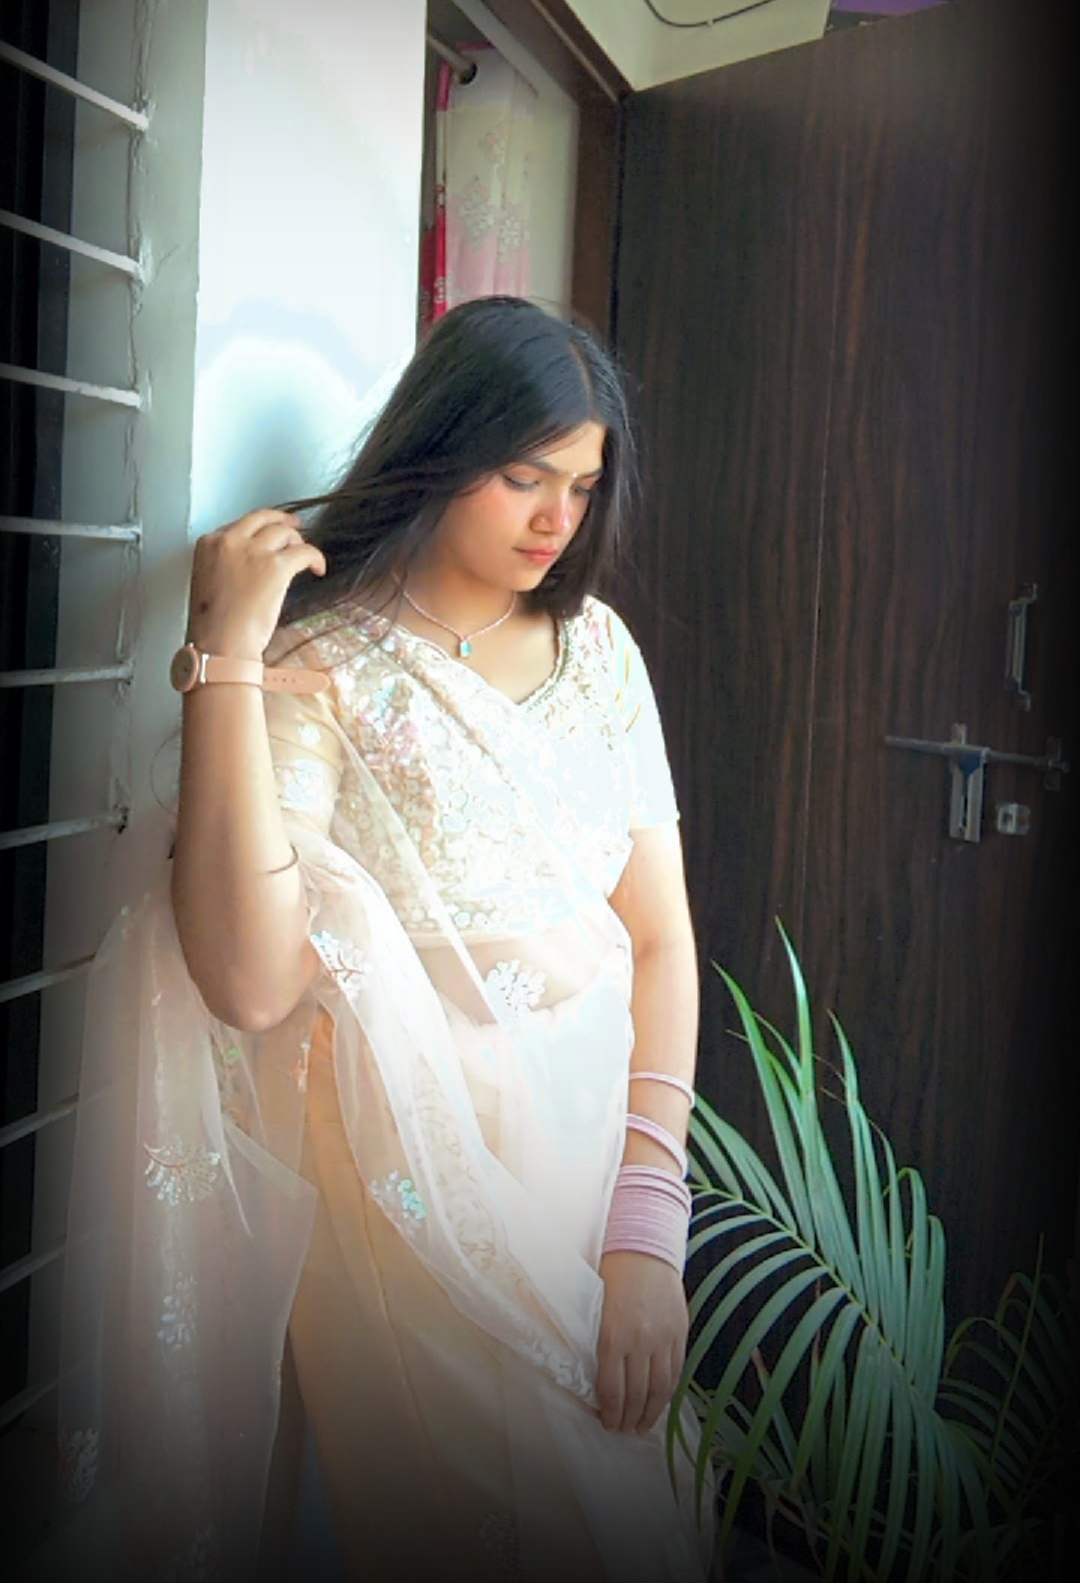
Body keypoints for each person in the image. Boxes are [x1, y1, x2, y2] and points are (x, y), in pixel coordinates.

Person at [59, 297, 713, 1582]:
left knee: (631, 1510)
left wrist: (650, 1220)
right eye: (524, 476)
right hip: (406, 1194)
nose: (557, 520)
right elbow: (250, 982)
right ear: (440, 445)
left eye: (582, 486)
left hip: (590, 1177)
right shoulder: (330, 667)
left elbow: (662, 943)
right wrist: (228, 651)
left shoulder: (601, 653)